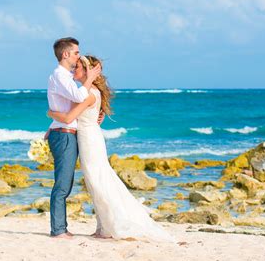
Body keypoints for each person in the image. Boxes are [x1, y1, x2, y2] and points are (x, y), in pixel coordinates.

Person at [48, 55, 176, 243]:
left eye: (77, 67)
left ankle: (108, 227)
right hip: (91, 137)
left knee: (98, 182)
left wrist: (49, 112)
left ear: (87, 71)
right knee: (96, 181)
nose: (73, 70)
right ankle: (102, 227)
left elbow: (68, 118)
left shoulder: (89, 92)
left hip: (89, 141)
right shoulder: (89, 92)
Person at [46, 37, 102, 239]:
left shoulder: (66, 77)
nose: (79, 55)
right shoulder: (60, 76)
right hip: (64, 135)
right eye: (76, 52)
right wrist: (89, 78)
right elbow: (78, 98)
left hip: (66, 132)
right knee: (62, 184)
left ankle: (61, 228)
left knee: (65, 183)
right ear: (66, 54)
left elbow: (70, 107)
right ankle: (58, 230)